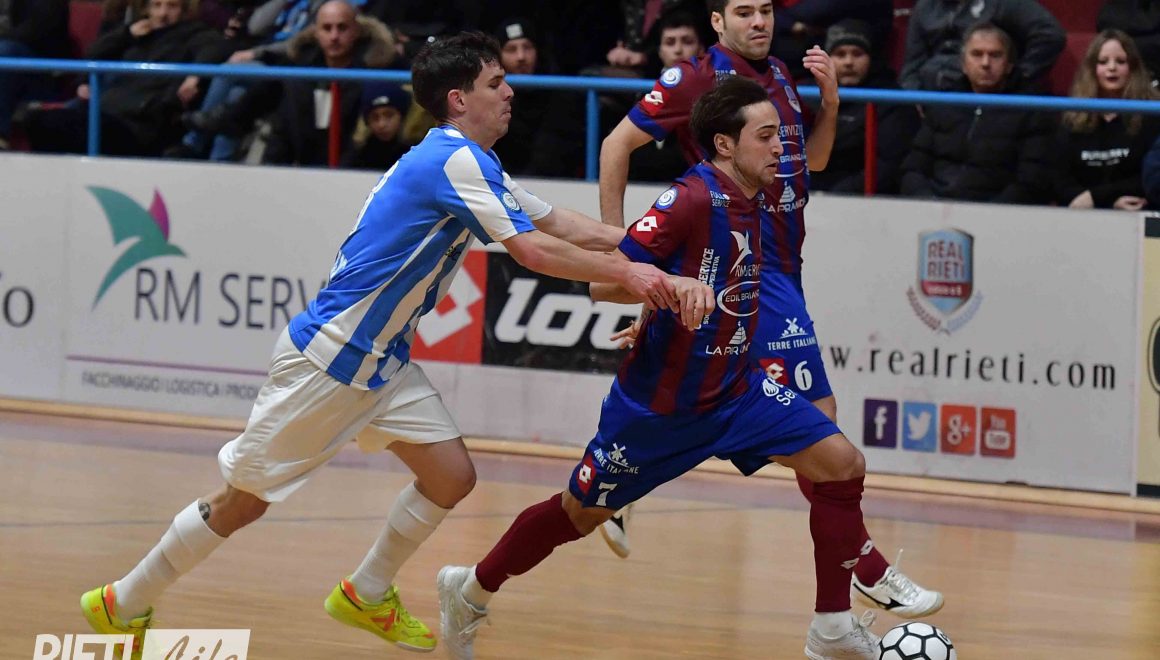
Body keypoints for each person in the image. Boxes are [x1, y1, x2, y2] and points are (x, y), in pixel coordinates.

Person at [78, 30, 679, 658]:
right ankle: (123, 601)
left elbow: (557, 223)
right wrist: (637, 275)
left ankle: (365, 592)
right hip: (331, 362)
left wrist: (652, 241)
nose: (510, 92)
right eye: (495, 83)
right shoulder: (453, 161)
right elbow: (533, 250)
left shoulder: (472, 161)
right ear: (458, 99)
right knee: (241, 503)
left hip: (381, 363)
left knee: (451, 478)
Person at [437, 76, 882, 660]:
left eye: (780, 135)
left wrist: (664, 303)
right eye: (767, 136)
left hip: (737, 392)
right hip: (660, 411)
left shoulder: (753, 195)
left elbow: (713, 273)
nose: (781, 147)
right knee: (577, 514)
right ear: (725, 145)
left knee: (843, 465)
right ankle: (470, 590)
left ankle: (831, 627)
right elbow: (605, 283)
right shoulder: (689, 199)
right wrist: (669, 288)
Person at [596, 0, 943, 620]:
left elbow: (814, 162)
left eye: (765, 10)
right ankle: (864, 569)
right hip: (752, 269)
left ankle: (620, 474)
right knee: (819, 424)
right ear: (717, 22)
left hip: (782, 264)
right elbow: (615, 145)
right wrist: (624, 258)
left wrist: (830, 101)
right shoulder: (696, 78)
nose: (759, 22)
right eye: (744, 12)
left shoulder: (781, 74)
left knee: (741, 408)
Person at [900, 22, 1053, 203]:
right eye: (977, 54)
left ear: (1009, 65)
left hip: (997, 211)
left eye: (995, 55)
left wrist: (987, 212)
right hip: (935, 206)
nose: (985, 63)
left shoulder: (1031, 109)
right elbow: (913, 168)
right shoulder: (944, 103)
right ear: (963, 64)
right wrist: (928, 201)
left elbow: (1031, 180)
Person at [808, 18, 919, 195]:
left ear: (872, 58)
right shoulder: (808, 96)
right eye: (840, 54)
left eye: (857, 53)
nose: (848, 62)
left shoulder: (892, 101)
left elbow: (888, 166)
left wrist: (836, 195)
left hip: (864, 198)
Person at [1053, 29, 1160, 211]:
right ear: (1092, 69)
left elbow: (1151, 176)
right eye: (1103, 62)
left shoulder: (1151, 114)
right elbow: (1058, 179)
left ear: (1133, 67)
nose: (1112, 68)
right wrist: (1101, 202)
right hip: (1082, 214)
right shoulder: (1073, 117)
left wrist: (1097, 197)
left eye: (1120, 61)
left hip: (1138, 211)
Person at [900, 0, 1064, 91]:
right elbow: (911, 66)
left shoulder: (1004, 3)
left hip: (988, 95)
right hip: (931, 97)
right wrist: (913, 98)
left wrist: (1018, 78)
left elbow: (1050, 35)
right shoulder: (925, 6)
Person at [341, 80, 411, 171]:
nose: (381, 124)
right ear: (367, 122)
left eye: (389, 115)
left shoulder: (415, 155)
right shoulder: (356, 158)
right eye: (374, 117)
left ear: (402, 116)